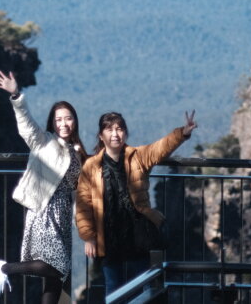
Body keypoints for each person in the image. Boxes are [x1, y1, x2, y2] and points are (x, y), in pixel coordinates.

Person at [0, 70, 88, 303]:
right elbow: (26, 125)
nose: (64, 123)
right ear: (53, 122)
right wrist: (16, 96)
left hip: (62, 215)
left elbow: (79, 188)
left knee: (56, 278)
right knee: (56, 266)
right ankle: (4, 269)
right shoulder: (44, 141)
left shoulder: (79, 152)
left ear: (75, 121)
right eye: (59, 119)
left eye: (68, 118)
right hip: (44, 210)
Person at [75, 110, 197, 296]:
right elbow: (83, 204)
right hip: (109, 239)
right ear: (101, 135)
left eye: (120, 129)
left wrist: (183, 132)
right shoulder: (91, 166)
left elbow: (161, 147)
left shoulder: (138, 156)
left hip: (137, 236)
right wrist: (88, 237)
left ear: (126, 132)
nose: (115, 134)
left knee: (142, 289)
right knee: (114, 290)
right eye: (109, 129)